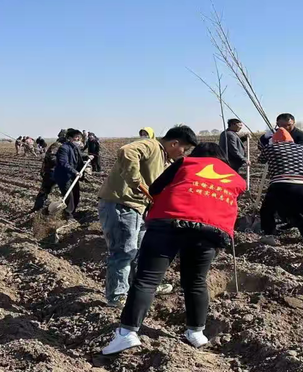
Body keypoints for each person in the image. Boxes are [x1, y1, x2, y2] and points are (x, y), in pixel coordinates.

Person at [102, 143, 246, 354]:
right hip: (211, 230)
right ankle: (196, 332)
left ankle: (127, 334)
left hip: (168, 222)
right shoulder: (235, 177)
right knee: (196, 280)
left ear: (197, 155)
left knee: (148, 279)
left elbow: (154, 189)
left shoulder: (185, 163)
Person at [98, 125, 198, 308]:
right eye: (185, 149)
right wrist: (134, 179)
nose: (184, 154)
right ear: (174, 143)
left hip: (139, 208)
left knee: (143, 250)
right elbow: (126, 151)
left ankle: (144, 286)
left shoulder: (165, 160)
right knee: (124, 251)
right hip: (123, 204)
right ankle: (117, 295)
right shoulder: (151, 146)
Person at [258, 128, 303, 253]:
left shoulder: (270, 148)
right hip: (301, 184)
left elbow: (261, 160)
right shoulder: (300, 148)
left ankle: (269, 235)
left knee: (267, 210)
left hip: (280, 183)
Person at [54, 129, 86, 219]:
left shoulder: (75, 147)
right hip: (64, 176)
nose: (78, 139)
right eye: (76, 137)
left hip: (73, 176)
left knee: (76, 195)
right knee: (69, 197)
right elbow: (64, 163)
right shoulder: (64, 148)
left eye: (79, 137)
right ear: (69, 138)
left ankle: (73, 212)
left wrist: (88, 157)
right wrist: (74, 171)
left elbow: (80, 156)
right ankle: (68, 216)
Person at [32, 130, 67, 212]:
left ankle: (66, 210)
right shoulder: (57, 145)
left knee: (66, 190)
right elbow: (51, 158)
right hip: (51, 172)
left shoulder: (65, 146)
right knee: (45, 190)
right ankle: (38, 208)